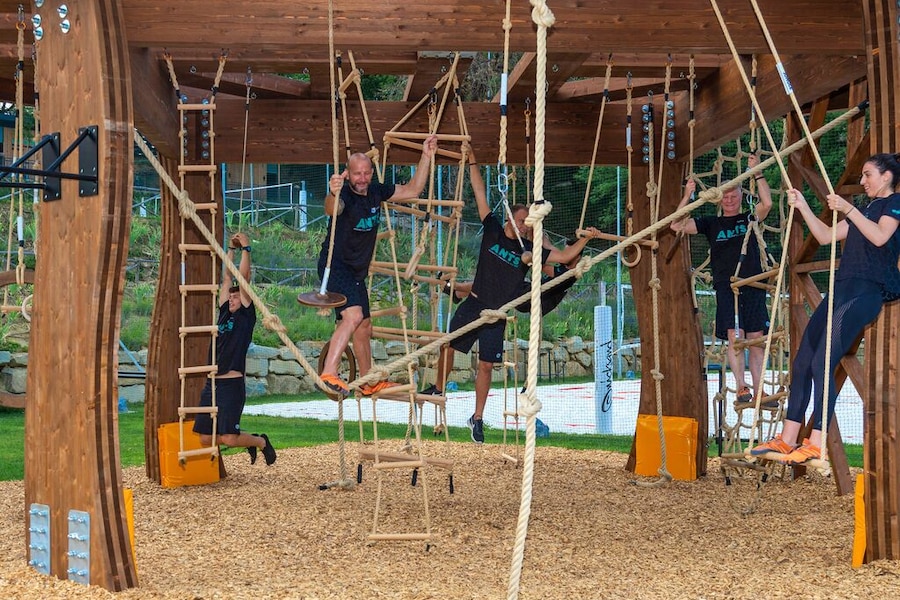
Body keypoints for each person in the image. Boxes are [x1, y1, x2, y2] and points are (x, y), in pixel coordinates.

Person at [422, 149, 597, 443]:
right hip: (475, 302)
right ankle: (438, 387)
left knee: (486, 366)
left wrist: (586, 239)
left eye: (529, 222)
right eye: (522, 219)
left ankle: (477, 418)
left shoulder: (529, 248)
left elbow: (565, 257)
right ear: (510, 218)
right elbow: (479, 191)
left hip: (497, 313)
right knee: (448, 346)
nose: (526, 224)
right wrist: (473, 161)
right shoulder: (492, 228)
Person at [751, 153, 900, 464]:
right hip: (842, 290)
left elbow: (880, 237)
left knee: (822, 362)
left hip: (866, 293)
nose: (862, 181)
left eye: (868, 174)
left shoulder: (894, 203)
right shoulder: (866, 209)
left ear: (886, 177)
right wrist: (803, 206)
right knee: (803, 361)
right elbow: (825, 236)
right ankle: (788, 439)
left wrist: (847, 209)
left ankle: (816, 442)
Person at [318, 135, 438, 397]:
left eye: (366, 173)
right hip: (336, 266)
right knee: (353, 317)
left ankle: (368, 381)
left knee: (364, 327)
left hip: (356, 273)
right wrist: (333, 192)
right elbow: (331, 209)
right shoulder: (344, 194)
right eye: (356, 174)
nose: (361, 178)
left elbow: (413, 190)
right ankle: (328, 372)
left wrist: (426, 156)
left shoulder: (376, 192)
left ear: (371, 172)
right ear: (348, 174)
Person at [670, 154, 773, 405]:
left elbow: (767, 203)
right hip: (727, 286)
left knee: (756, 340)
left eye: (733, 195)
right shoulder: (711, 223)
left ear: (740, 195)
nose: (729, 199)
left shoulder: (748, 218)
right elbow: (676, 225)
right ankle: (741, 387)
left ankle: (761, 389)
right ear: (719, 199)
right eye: (725, 196)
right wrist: (688, 195)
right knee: (735, 338)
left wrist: (757, 172)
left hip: (753, 283)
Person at [193, 232, 276, 466]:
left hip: (231, 384)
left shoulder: (246, 317)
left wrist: (246, 249)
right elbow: (228, 279)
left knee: (229, 438)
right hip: (212, 383)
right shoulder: (224, 313)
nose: (231, 299)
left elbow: (242, 279)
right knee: (205, 438)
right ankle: (248, 440)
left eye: (236, 297)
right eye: (230, 298)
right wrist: (230, 249)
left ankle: (260, 441)